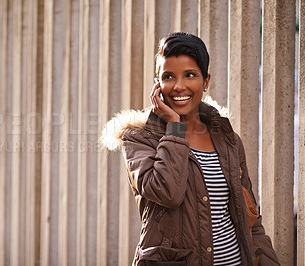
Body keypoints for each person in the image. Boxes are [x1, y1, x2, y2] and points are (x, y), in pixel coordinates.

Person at [100, 32, 280, 266]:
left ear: (205, 81)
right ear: (157, 84)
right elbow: (168, 193)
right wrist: (174, 127)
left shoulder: (228, 140)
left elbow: (249, 216)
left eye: (190, 75)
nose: (178, 86)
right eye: (168, 76)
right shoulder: (139, 139)